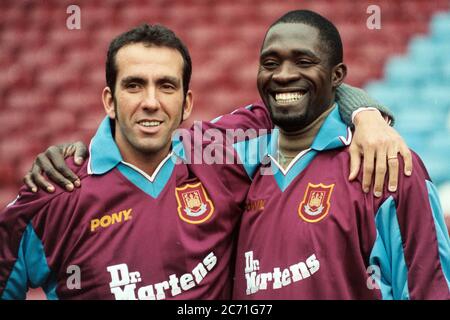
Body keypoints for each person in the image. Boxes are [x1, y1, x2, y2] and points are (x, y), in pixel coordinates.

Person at [1, 23, 407, 300]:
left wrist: (365, 114)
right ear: (109, 99)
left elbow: (302, 94)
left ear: (186, 102)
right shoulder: (56, 193)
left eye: (166, 86)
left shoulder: (220, 151)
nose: (150, 102)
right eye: (134, 85)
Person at [231, 10, 450, 299]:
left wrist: (364, 112)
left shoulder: (385, 165)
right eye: (270, 63)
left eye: (303, 61)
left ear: (337, 76)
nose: (283, 75)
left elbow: (428, 289)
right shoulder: (235, 166)